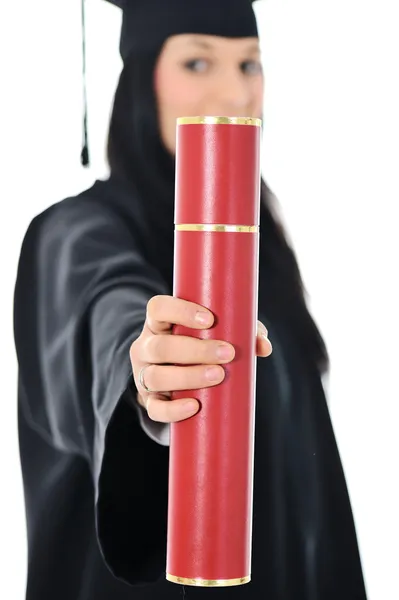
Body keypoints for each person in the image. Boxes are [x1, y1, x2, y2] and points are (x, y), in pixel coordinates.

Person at [13, 0, 368, 598]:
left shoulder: (259, 252)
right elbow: (109, 315)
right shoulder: (73, 235)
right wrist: (148, 372)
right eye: (198, 63)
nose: (235, 94)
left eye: (251, 65)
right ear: (140, 78)